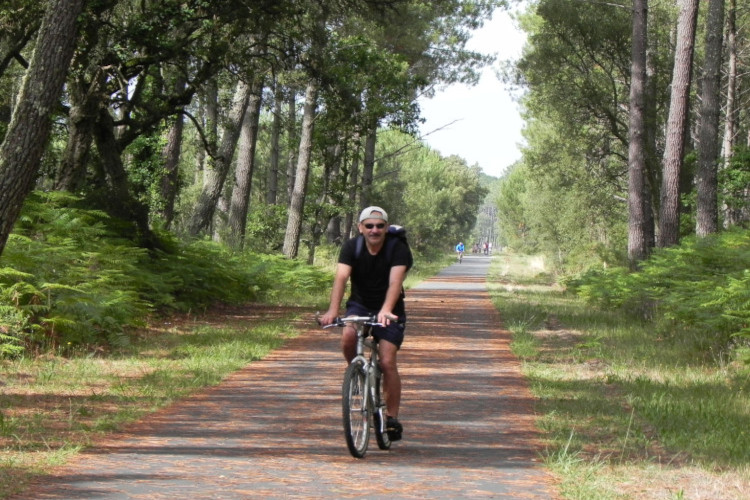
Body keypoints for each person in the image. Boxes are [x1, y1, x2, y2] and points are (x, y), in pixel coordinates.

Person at [319, 206, 410, 441]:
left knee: (388, 361)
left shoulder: (397, 248)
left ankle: (391, 417)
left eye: (380, 226)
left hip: (390, 308)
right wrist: (332, 311)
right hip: (359, 304)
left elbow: (394, 283)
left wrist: (386, 310)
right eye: (369, 226)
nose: (374, 230)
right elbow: (341, 278)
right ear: (361, 228)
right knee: (348, 336)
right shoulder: (352, 247)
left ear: (386, 228)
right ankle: (357, 373)